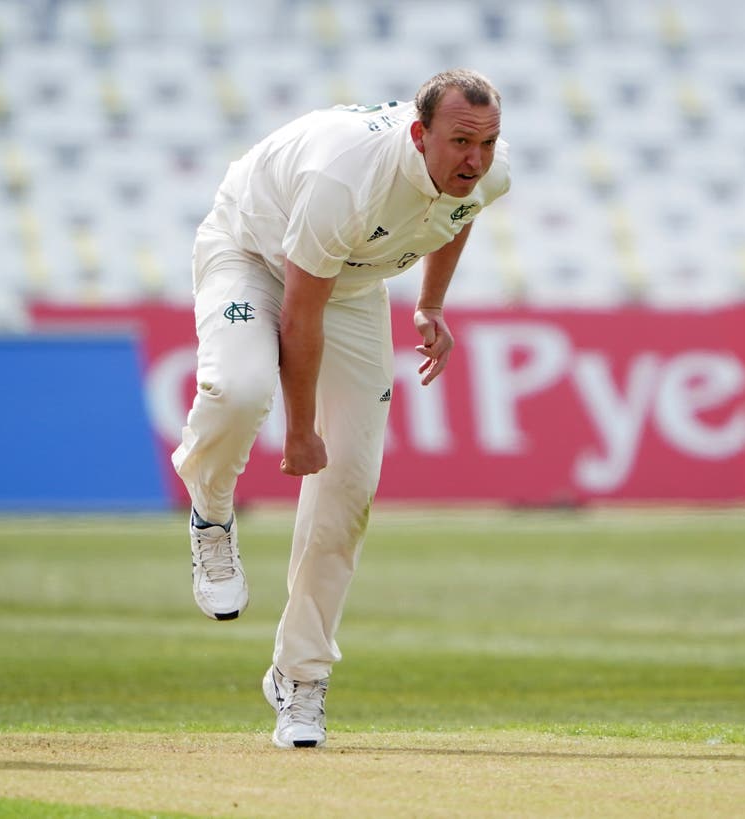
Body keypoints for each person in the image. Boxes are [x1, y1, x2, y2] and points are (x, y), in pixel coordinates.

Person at [171, 69, 510, 749]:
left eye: (489, 142)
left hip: (352, 285)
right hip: (251, 252)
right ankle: (211, 511)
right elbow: (299, 316)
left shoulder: (488, 174)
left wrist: (432, 303)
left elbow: (457, 216)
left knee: (349, 488)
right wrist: (300, 431)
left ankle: (299, 676)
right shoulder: (346, 178)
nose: (475, 159)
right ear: (420, 135)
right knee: (238, 391)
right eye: (460, 141)